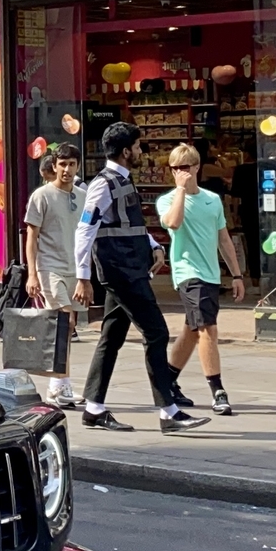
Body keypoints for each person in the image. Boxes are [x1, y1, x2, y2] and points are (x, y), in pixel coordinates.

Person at [73, 122, 208, 433]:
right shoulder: (103, 184)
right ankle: (168, 411)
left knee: (111, 338)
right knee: (157, 333)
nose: (140, 151)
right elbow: (85, 229)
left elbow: (128, 223)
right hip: (122, 272)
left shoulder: (121, 181)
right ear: (125, 151)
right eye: (136, 146)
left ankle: (93, 408)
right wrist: (82, 277)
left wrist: (152, 245)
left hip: (129, 267)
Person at [158, 142, 248, 416]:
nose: (180, 173)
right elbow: (172, 223)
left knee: (192, 330)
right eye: (175, 169)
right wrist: (182, 191)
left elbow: (223, 238)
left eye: (185, 167)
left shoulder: (212, 200)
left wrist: (236, 274)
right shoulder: (168, 199)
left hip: (210, 273)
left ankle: (168, 380)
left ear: (196, 167)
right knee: (209, 329)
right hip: (188, 273)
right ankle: (217, 389)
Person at [21, 148, 84, 408]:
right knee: (64, 322)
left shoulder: (83, 196)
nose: (67, 169)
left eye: (71, 164)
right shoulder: (41, 195)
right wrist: (32, 274)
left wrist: (85, 276)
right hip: (50, 267)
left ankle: (60, 384)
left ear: (78, 166)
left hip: (74, 269)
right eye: (62, 164)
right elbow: (31, 237)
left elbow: (86, 236)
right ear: (54, 166)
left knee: (67, 330)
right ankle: (57, 386)